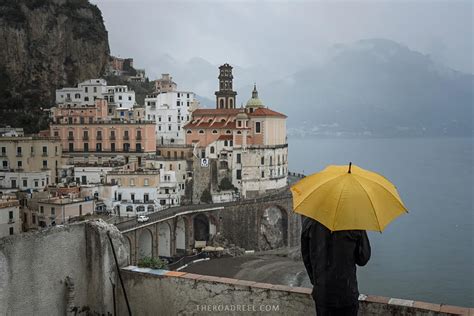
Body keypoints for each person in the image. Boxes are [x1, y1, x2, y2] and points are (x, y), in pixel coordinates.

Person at [301, 216, 371, 316]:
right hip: (346, 294)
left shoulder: (309, 222)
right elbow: (363, 259)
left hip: (322, 294)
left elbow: (306, 256)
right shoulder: (354, 222)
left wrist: (316, 281)